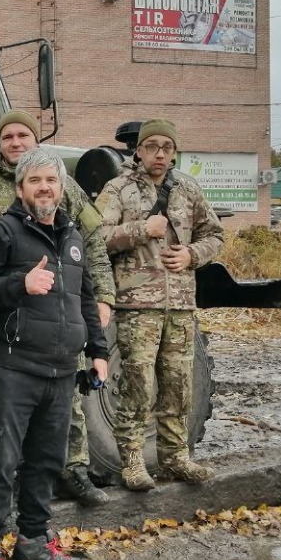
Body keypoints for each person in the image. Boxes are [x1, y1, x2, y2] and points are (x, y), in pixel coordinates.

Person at [0, 147, 110, 560]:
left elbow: (84, 297)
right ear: (20, 188)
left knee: (47, 461)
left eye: (51, 180)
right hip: (13, 369)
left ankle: (32, 541)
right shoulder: (2, 232)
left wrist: (99, 352)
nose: (45, 187)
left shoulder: (72, 235)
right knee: (1, 462)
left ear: (62, 187)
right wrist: (20, 284)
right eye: (35, 181)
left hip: (62, 370)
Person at [94, 119, 224, 489]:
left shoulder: (187, 188)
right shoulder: (117, 189)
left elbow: (214, 234)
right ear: (139, 150)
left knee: (178, 384)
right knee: (138, 385)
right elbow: (97, 236)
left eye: (167, 147)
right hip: (137, 307)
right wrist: (140, 231)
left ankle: (176, 457)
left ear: (174, 151)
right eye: (152, 146)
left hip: (180, 305)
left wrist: (192, 255)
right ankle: (132, 460)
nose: (160, 153)